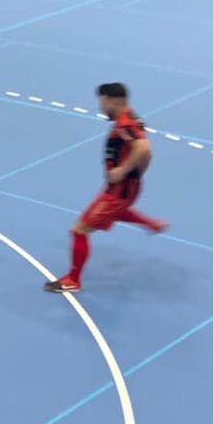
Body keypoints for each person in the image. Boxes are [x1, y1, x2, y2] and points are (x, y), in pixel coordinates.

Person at [44, 82, 167, 294]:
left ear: (111, 100)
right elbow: (146, 152)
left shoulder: (125, 124)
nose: (100, 107)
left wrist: (123, 170)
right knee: (115, 211)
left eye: (102, 102)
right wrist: (136, 173)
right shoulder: (132, 118)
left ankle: (73, 280)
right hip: (124, 189)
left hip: (119, 190)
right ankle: (150, 224)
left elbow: (144, 149)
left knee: (79, 230)